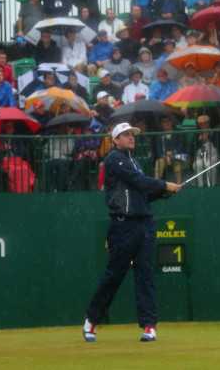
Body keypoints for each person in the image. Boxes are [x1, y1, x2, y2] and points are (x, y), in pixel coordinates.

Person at [83, 122, 182, 343]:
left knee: (145, 277)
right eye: (126, 135)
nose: (131, 137)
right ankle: (91, 320)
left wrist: (164, 192)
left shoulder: (135, 162)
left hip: (144, 225)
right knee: (114, 276)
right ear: (116, 140)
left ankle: (149, 326)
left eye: (132, 134)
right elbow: (138, 181)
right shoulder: (114, 159)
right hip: (122, 226)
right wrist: (164, 185)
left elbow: (142, 194)